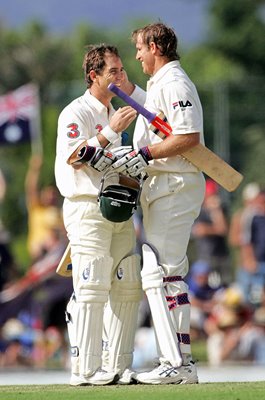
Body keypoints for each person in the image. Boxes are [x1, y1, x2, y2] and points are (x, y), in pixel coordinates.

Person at [112, 22, 205, 384]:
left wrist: (145, 153)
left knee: (162, 273)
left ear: (154, 46)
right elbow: (151, 109)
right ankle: (178, 362)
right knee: (163, 273)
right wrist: (122, 88)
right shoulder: (160, 84)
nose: (136, 55)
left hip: (175, 185)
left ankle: (177, 365)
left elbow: (188, 136)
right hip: (162, 187)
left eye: (139, 48)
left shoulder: (176, 81)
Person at [55, 44, 145, 386]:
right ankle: (86, 370)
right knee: (92, 285)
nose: (121, 77)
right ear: (94, 76)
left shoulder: (114, 110)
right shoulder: (75, 112)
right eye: (114, 72)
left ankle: (117, 366)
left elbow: (107, 161)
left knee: (127, 284)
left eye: (122, 70)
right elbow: (75, 156)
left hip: (118, 206)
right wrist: (110, 132)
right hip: (85, 207)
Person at [191, 179, 232, 287]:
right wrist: (214, 229)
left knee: (224, 286)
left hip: (221, 255)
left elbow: (223, 229)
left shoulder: (220, 210)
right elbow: (198, 230)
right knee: (206, 286)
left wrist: (216, 211)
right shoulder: (198, 210)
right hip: (206, 256)